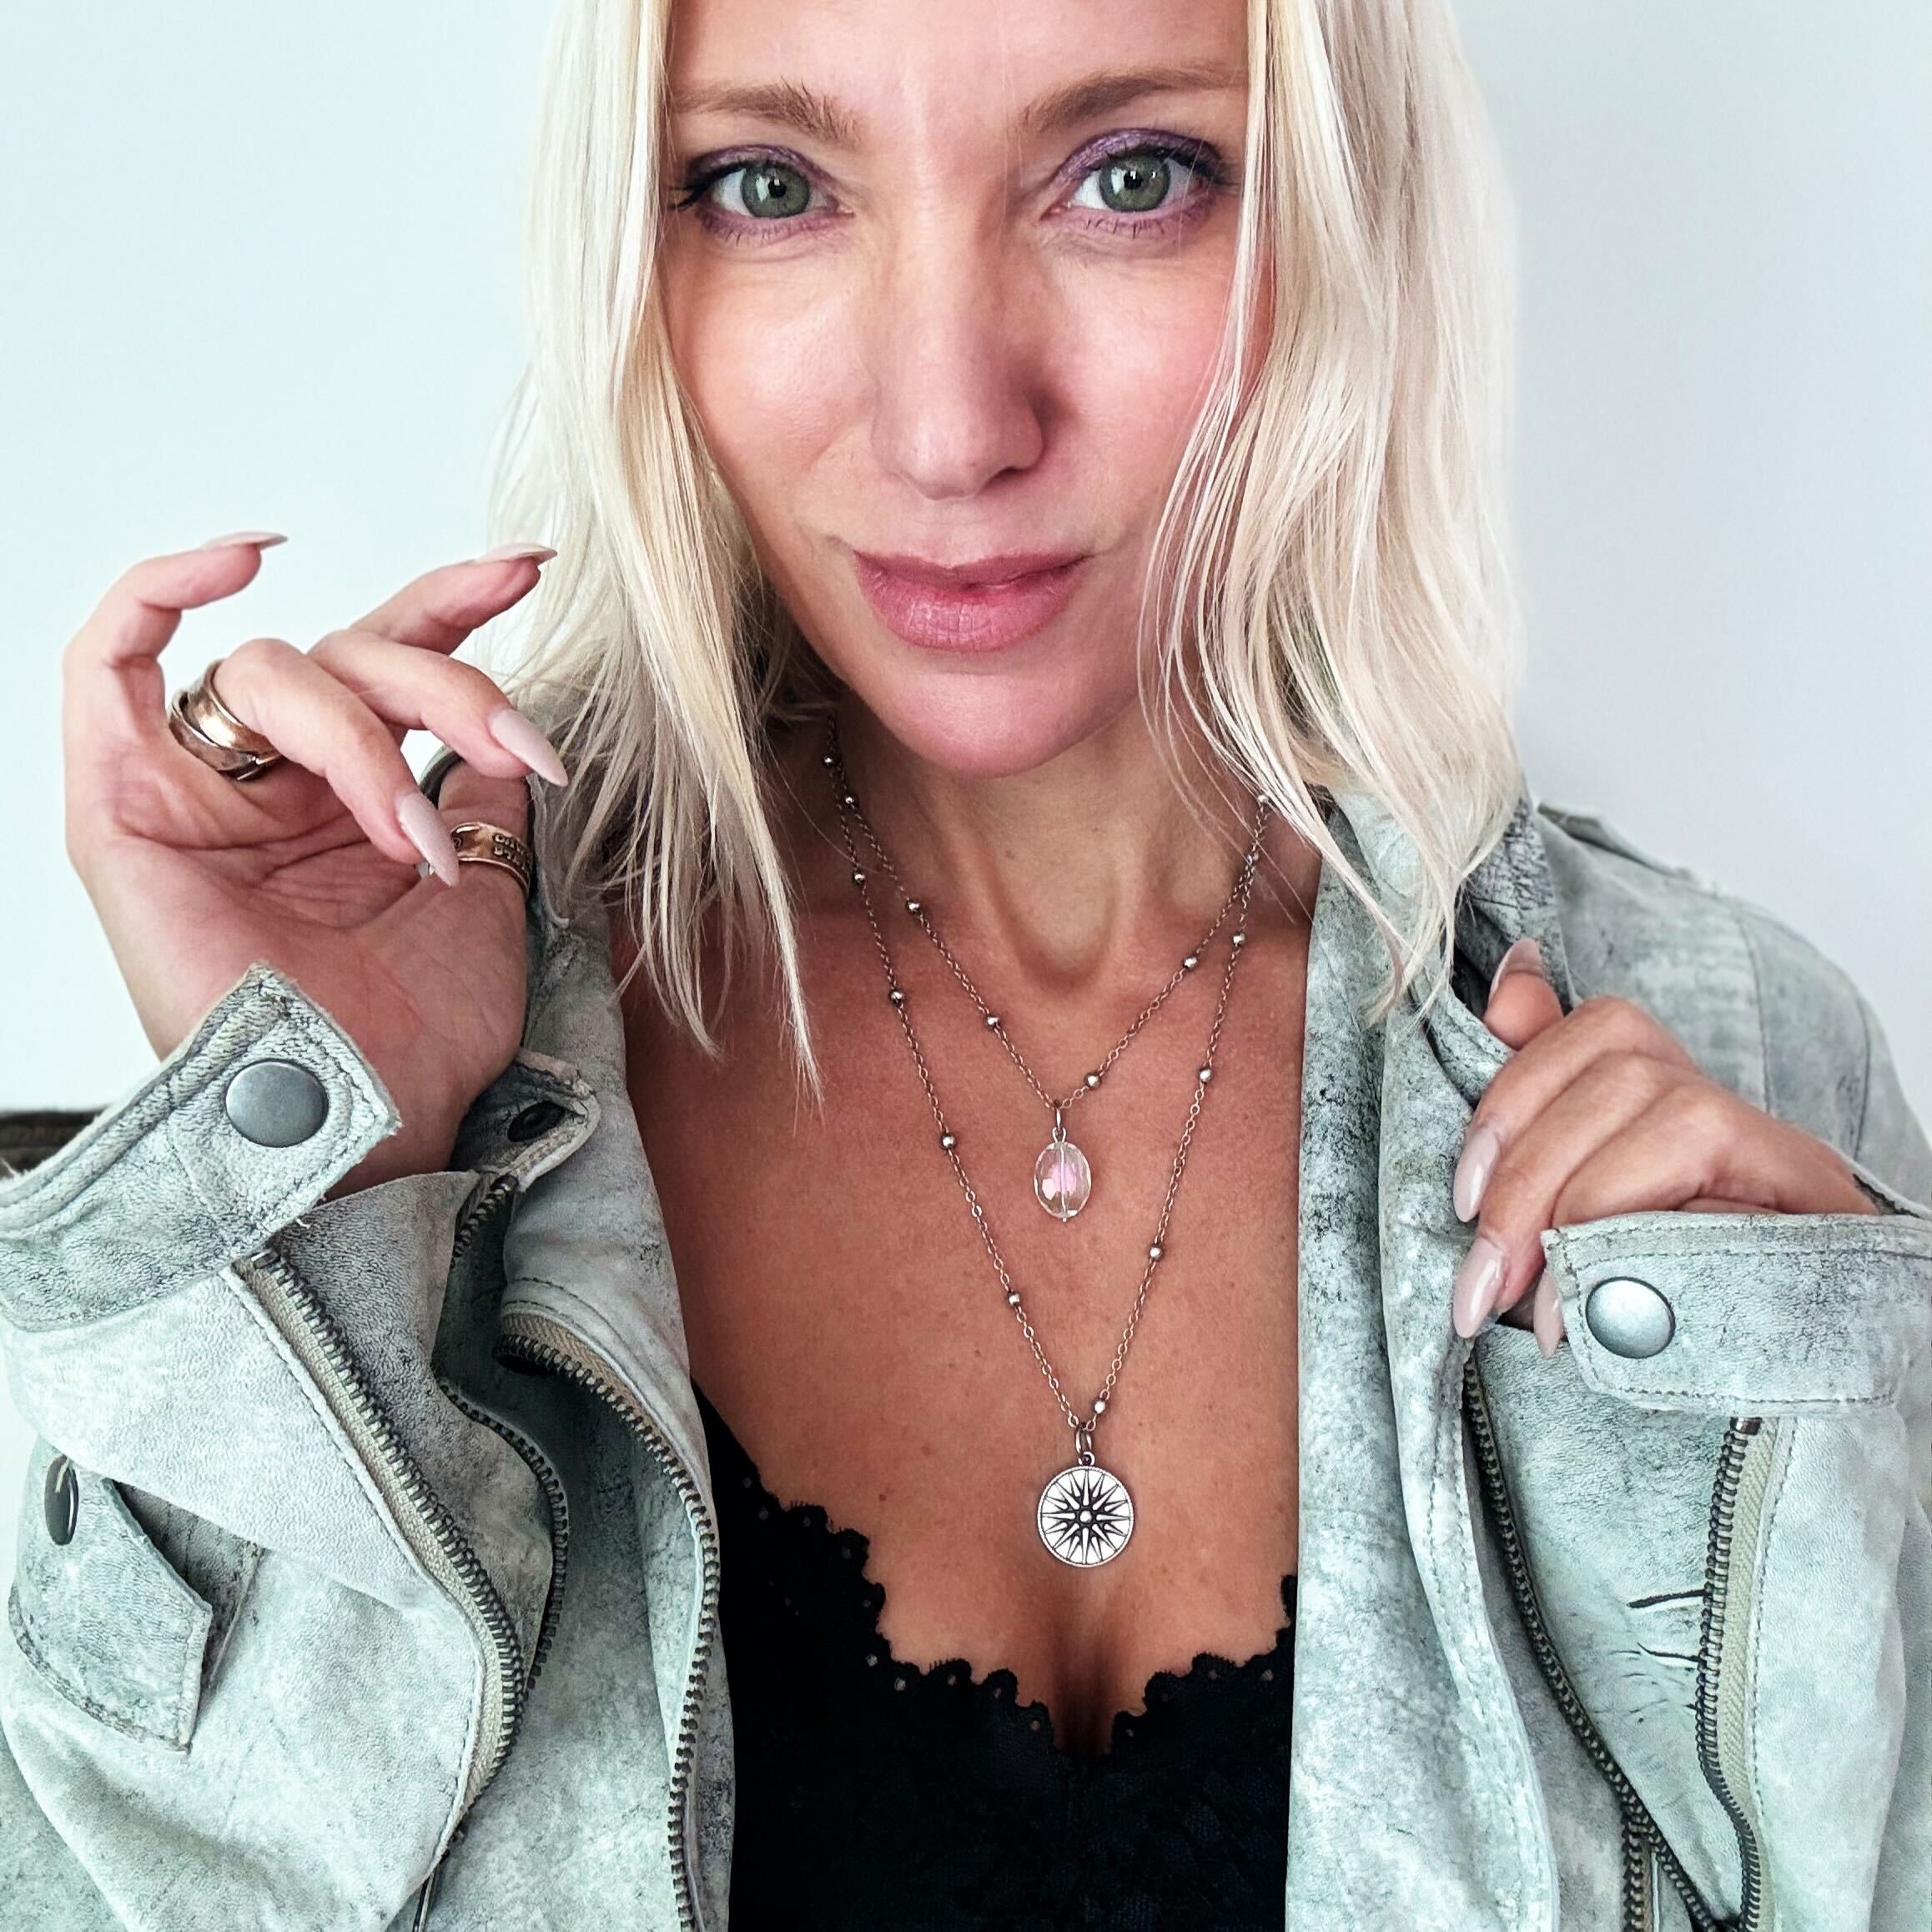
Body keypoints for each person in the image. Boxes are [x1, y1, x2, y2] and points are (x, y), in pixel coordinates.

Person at [3, 0, 1928, 1926]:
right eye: (769, 188)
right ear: (633, 255)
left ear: (1342, 215)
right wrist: (307, 1209)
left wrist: (1807, 1437)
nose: (949, 429)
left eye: (1133, 179)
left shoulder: (1731, 1071)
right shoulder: (427, 1036)